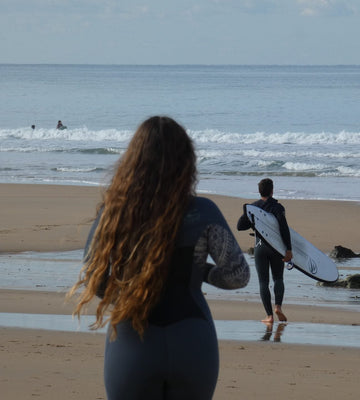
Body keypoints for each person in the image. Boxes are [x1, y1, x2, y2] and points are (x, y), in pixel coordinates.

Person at [69, 116, 249, 400]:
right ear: (186, 161)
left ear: (134, 161)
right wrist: (200, 272)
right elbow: (237, 275)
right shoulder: (203, 211)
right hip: (193, 340)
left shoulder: (114, 214)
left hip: (132, 341)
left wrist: (132, 290)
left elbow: (94, 277)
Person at [237, 178, 292, 324]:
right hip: (276, 248)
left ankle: (269, 316)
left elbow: (240, 226)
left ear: (259, 191)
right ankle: (278, 307)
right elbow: (284, 229)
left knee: (263, 282)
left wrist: (247, 213)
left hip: (260, 247)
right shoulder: (278, 208)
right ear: (272, 190)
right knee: (278, 278)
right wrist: (288, 249)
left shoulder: (254, 207)